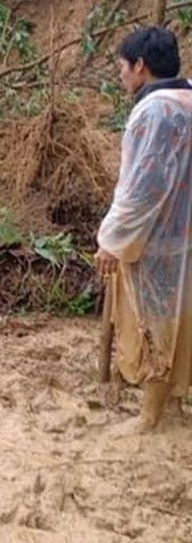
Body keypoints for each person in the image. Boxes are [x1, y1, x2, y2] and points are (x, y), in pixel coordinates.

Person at [96, 26, 192, 433]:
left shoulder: (156, 111)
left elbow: (143, 187)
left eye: (122, 66)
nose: (120, 75)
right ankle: (170, 405)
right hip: (184, 233)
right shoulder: (187, 99)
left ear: (140, 66)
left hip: (160, 236)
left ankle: (150, 416)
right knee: (181, 316)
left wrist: (112, 239)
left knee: (154, 318)